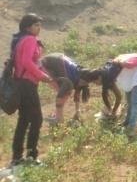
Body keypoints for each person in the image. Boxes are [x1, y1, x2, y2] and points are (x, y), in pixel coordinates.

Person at [9, 14, 57, 166]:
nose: (39, 28)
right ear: (27, 27)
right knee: (36, 119)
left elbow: (30, 63)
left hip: (20, 83)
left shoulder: (20, 39)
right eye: (36, 25)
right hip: (28, 84)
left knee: (23, 119)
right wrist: (42, 76)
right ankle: (31, 155)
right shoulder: (30, 39)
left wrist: (45, 76)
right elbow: (26, 62)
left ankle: (17, 157)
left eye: (39, 25)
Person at [40, 52, 94, 125]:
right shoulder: (74, 77)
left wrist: (77, 111)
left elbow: (77, 95)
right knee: (61, 91)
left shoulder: (81, 77)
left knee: (64, 92)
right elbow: (63, 91)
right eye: (84, 83)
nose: (84, 85)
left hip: (59, 60)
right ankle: (58, 118)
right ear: (82, 79)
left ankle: (58, 116)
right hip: (51, 62)